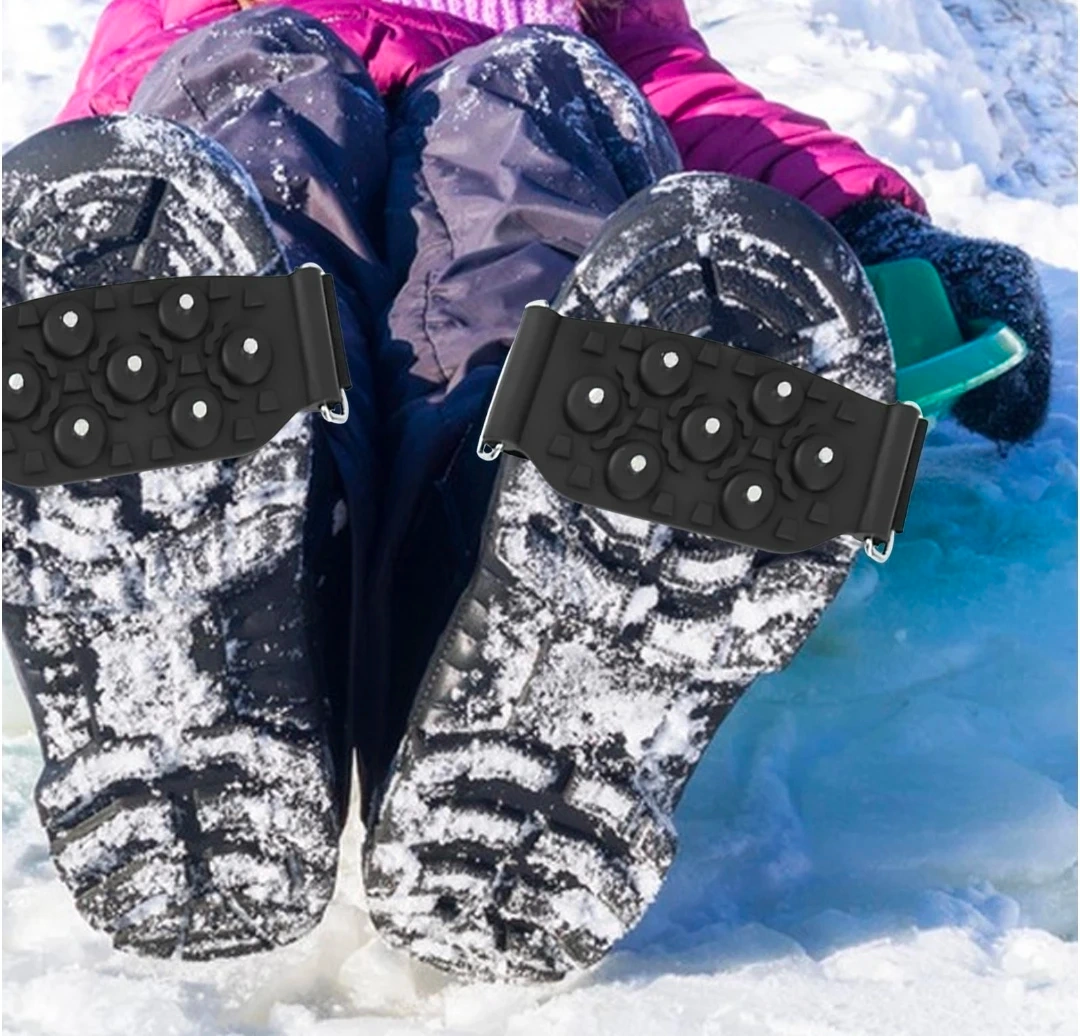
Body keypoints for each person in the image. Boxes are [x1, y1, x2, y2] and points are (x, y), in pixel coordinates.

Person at [2, 0, 1050, 980]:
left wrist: (876, 221)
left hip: (505, 160)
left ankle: (528, 563)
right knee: (262, 89)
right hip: (281, 182)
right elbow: (125, 118)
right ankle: (220, 539)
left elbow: (694, 98)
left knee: (535, 116)